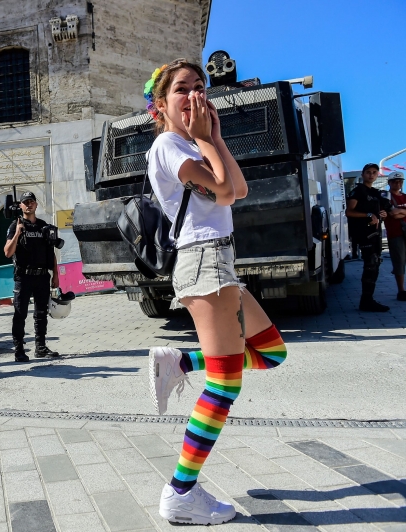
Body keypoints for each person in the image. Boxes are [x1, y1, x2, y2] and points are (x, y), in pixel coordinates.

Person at [142, 60, 288, 525]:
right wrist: (205, 139)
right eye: (182, 89)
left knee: (270, 352)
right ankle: (180, 492)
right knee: (225, 384)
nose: (194, 95)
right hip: (204, 261)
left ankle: (182, 363)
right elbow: (223, 193)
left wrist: (214, 137)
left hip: (219, 260)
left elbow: (237, 189)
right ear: (160, 105)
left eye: (200, 87)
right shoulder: (168, 145)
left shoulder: (193, 144)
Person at [4, 191, 60, 362]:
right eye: (25, 202)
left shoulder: (44, 226)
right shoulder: (15, 225)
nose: (29, 205)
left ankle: (40, 348)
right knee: (20, 314)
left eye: (31, 202)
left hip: (42, 276)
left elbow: (51, 252)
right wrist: (17, 234)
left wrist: (55, 275)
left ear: (36, 204)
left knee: (41, 314)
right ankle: (19, 350)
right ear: (20, 206)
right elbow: (7, 252)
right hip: (23, 277)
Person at [346, 163, 393, 312]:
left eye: (374, 172)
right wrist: (368, 215)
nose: (371, 175)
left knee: (375, 265)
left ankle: (368, 299)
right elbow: (349, 212)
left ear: (377, 175)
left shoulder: (376, 193)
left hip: (375, 234)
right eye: (368, 172)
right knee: (370, 265)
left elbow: (384, 211)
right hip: (363, 233)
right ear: (363, 174)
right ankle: (366, 301)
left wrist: (383, 214)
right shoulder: (358, 191)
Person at [383, 172, 406, 301]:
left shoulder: (405, 197)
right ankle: (401, 291)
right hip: (395, 234)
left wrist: (400, 211)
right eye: (395, 181)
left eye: (400, 181)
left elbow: (397, 213)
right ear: (389, 183)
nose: (398, 184)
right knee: (399, 262)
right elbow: (392, 214)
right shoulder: (386, 197)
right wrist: (403, 212)